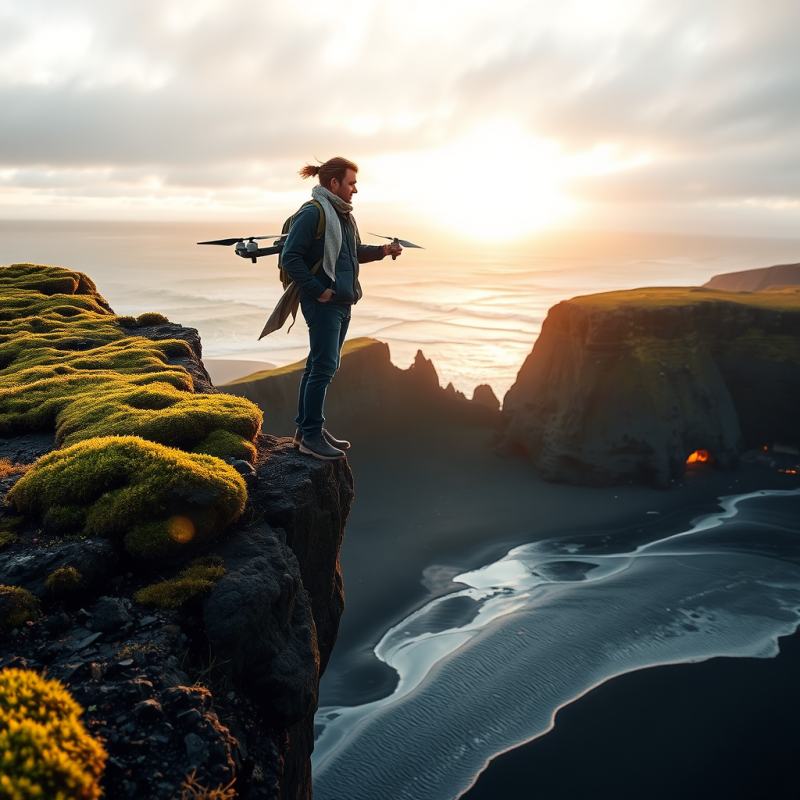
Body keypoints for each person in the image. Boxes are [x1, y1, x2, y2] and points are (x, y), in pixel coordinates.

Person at [281, 156, 402, 460]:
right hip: (325, 303)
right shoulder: (313, 213)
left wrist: (384, 250)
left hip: (342, 300)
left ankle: (306, 429)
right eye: (352, 183)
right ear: (334, 183)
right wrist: (319, 291)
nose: (355, 190)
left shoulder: (344, 215)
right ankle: (310, 436)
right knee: (322, 367)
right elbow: (291, 258)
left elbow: (354, 252)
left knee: (320, 366)